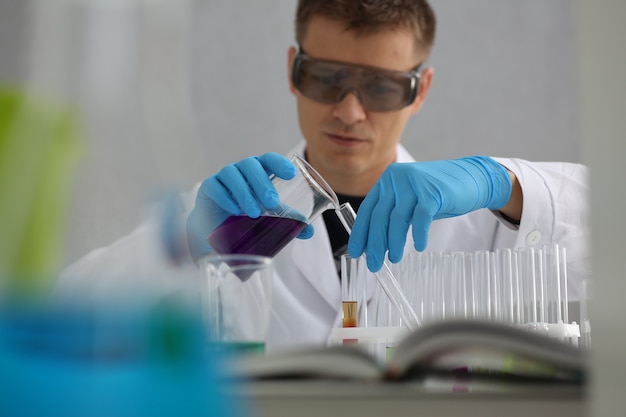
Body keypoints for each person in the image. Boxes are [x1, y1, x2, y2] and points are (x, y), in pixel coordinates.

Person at [58, 0, 589, 352]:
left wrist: (505, 183)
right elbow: (65, 318)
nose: (350, 111)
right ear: (294, 69)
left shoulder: (489, 221)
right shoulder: (229, 213)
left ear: (420, 90)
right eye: (326, 78)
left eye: (380, 87)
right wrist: (185, 247)